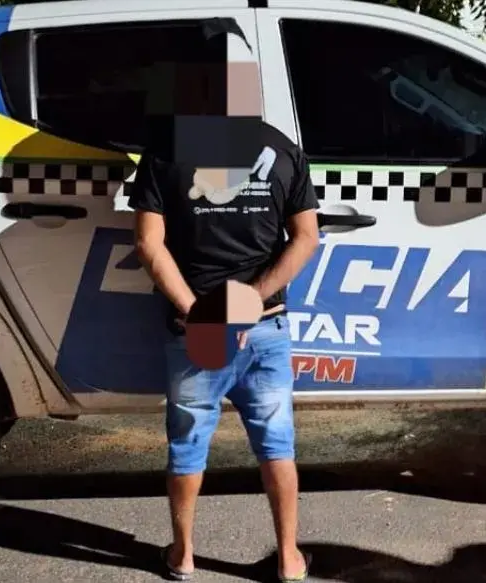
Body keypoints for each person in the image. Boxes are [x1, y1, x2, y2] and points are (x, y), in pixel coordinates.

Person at [128, 19, 321, 583]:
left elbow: (148, 244)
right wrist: (252, 301)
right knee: (277, 445)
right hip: (266, 326)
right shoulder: (282, 149)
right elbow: (307, 237)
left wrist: (199, 312)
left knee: (188, 446)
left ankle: (183, 555)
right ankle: (289, 559)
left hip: (196, 331)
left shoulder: (164, 152)